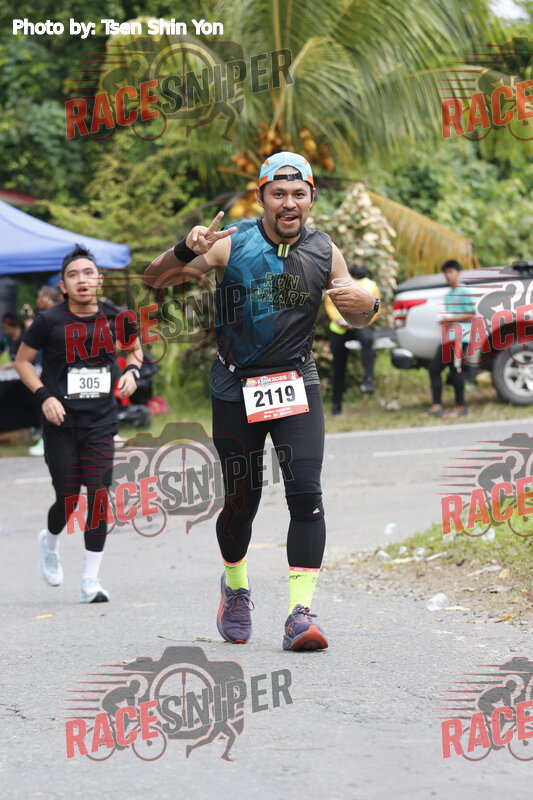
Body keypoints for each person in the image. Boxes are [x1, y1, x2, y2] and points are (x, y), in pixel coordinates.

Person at [145, 152, 379, 650]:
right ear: (262, 198)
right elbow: (155, 279)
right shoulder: (231, 243)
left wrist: (370, 306)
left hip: (296, 382)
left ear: (312, 199)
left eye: (298, 194)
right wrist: (185, 249)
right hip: (236, 386)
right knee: (241, 501)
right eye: (278, 194)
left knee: (306, 493)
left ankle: (300, 614)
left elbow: (355, 315)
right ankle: (235, 586)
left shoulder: (325, 250)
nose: (288, 203)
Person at [14, 244, 142, 603]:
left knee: (99, 496)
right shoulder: (48, 321)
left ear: (99, 280)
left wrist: (132, 371)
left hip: (100, 421)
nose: (82, 280)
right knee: (68, 499)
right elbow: (23, 361)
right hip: (60, 422)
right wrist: (45, 396)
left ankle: (90, 581)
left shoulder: (118, 317)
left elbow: (134, 350)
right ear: (63, 286)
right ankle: (50, 542)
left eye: (88, 273)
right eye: (73, 275)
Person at [325, 261, 381, 413]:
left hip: (356, 325)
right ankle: (338, 403)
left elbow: (376, 308)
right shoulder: (345, 283)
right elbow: (376, 309)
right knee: (339, 367)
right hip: (341, 328)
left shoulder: (368, 285)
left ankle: (367, 380)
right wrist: (340, 320)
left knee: (366, 342)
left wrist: (354, 322)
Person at [424, 260, 475, 419]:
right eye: (446, 273)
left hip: (460, 337)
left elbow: (471, 314)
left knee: (456, 370)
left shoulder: (464, 291)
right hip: (447, 338)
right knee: (434, 368)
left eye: (451, 272)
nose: (448, 275)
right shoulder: (448, 295)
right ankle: (436, 406)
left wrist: (451, 318)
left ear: (458, 273)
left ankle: (460, 407)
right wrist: (443, 320)